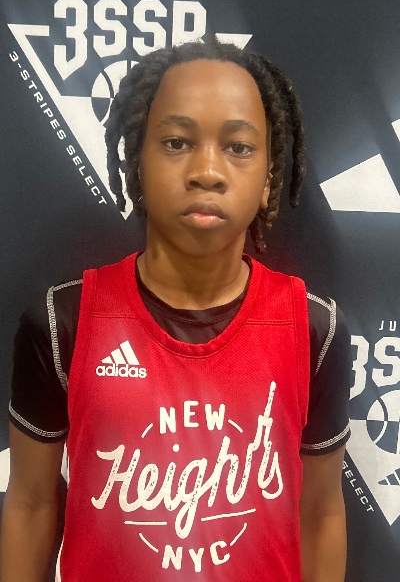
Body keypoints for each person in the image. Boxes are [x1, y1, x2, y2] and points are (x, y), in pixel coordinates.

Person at [0, 38, 351, 581]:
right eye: (176, 142)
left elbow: (322, 512)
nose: (207, 171)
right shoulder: (61, 322)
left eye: (238, 147)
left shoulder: (314, 329)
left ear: (268, 180)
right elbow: (30, 504)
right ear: (138, 162)